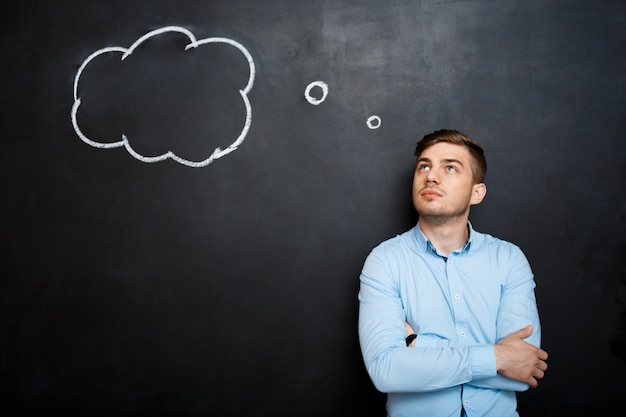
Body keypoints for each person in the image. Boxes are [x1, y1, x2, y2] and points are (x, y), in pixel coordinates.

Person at [357, 129, 548, 417]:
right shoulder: (384, 261)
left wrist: (419, 345)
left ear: (476, 192)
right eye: (424, 165)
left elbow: (523, 369)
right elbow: (386, 370)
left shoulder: (509, 259)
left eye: (450, 167)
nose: (431, 176)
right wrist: (496, 357)